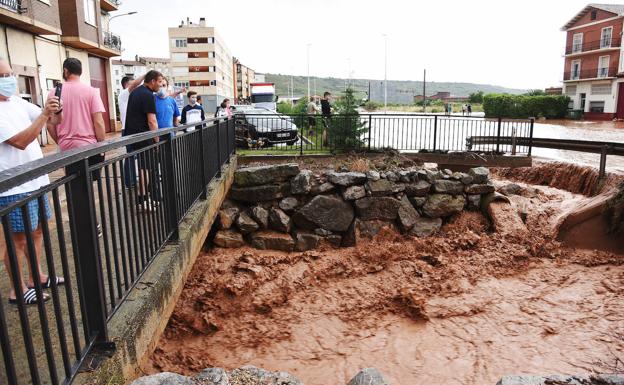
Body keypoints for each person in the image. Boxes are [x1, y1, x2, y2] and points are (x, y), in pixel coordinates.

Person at [0, 58, 63, 304]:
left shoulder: (17, 102)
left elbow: (51, 122)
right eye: (3, 76)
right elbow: (21, 140)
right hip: (12, 187)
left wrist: (54, 110)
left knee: (36, 231)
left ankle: (36, 276)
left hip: (34, 181)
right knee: (17, 239)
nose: (9, 80)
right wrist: (45, 114)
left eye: (10, 73)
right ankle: (17, 289)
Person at [46, 58, 107, 237]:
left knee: (73, 187)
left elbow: (50, 124)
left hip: (68, 148)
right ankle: (91, 224)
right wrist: (101, 145)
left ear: (66, 71)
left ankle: (79, 225)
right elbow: (98, 121)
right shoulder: (91, 91)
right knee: (87, 186)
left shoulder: (54, 93)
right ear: (80, 71)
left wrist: (61, 141)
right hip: (88, 146)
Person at [123, 70, 163, 211]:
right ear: (152, 81)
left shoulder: (136, 91)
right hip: (144, 136)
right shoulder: (147, 95)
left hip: (134, 135)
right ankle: (142, 201)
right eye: (159, 82)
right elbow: (152, 121)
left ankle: (145, 198)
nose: (161, 85)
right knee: (145, 169)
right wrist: (156, 140)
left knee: (144, 168)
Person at [119, 75, 144, 189]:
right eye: (132, 84)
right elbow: (135, 84)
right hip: (127, 130)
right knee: (130, 155)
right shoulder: (124, 94)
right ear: (126, 85)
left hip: (134, 129)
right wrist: (146, 75)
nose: (135, 86)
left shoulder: (132, 97)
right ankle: (129, 182)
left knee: (136, 155)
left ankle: (134, 178)